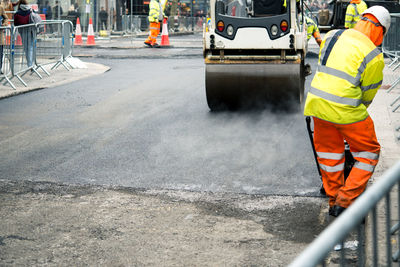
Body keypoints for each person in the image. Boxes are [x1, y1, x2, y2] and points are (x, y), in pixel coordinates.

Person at [303, 6, 391, 217]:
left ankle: (334, 201)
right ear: (380, 30)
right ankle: (346, 200)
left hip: (317, 105)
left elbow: (324, 65)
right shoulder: (373, 55)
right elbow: (366, 96)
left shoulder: (333, 35)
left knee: (329, 156)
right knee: (369, 153)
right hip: (346, 110)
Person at [13, 0, 35, 68]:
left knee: (26, 48)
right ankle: (30, 64)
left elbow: (15, 23)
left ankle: (29, 64)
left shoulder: (17, 13)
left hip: (22, 31)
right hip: (31, 30)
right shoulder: (31, 11)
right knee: (30, 47)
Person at [0, 2, 9, 74]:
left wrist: (4, 24)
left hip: (0, 35)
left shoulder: (1, 8)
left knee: (0, 53)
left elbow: (6, 18)